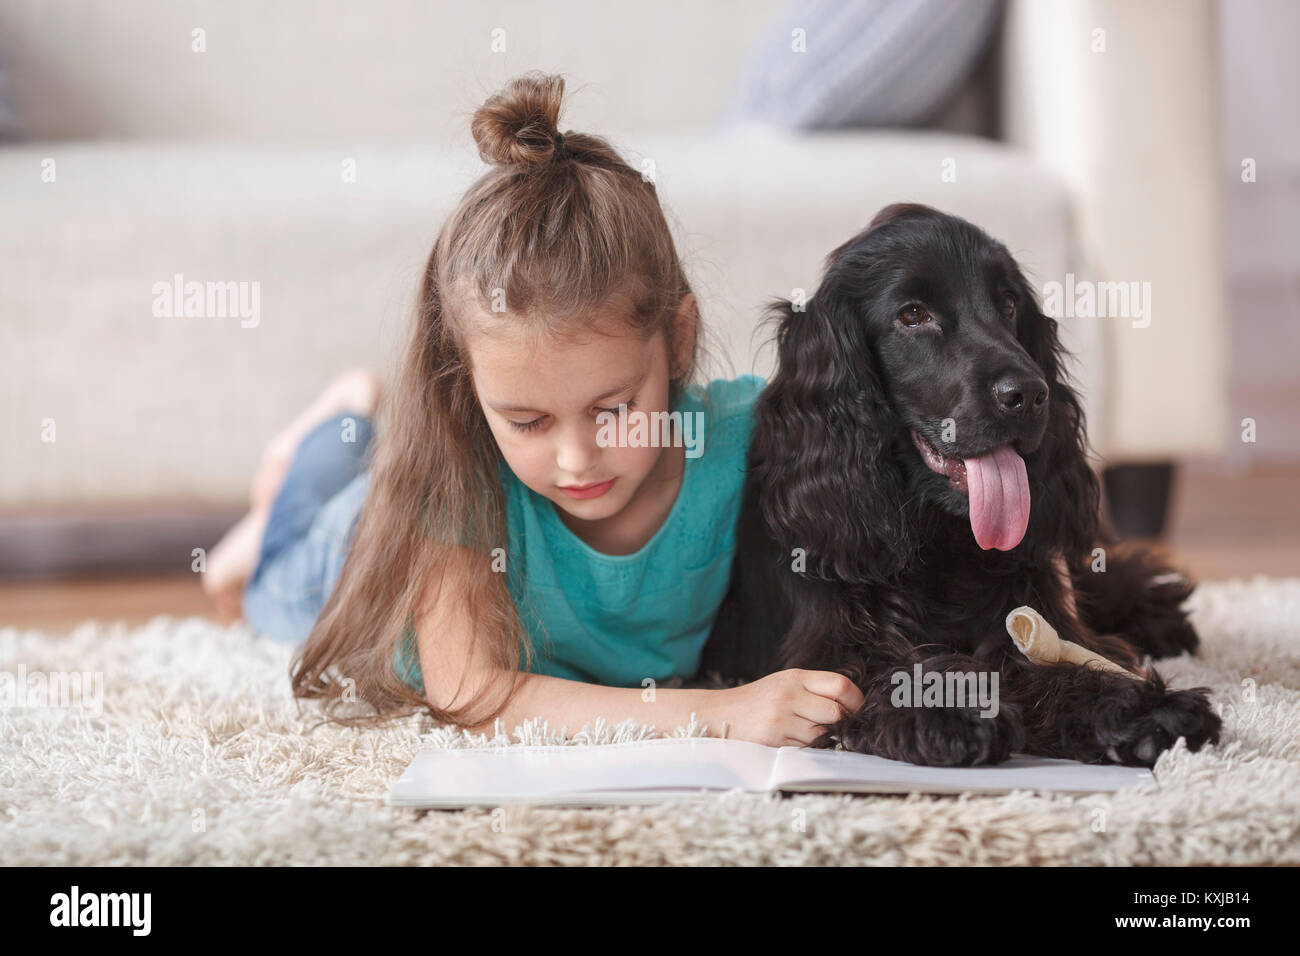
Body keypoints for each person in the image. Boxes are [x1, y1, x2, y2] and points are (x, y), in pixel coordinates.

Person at [204, 71, 864, 746]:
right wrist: (717, 714)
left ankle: (352, 420)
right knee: (264, 583)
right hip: (341, 552)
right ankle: (305, 465)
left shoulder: (741, 434)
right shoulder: (452, 471)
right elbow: (471, 693)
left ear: (677, 339)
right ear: (467, 387)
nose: (577, 459)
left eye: (612, 410)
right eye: (527, 422)